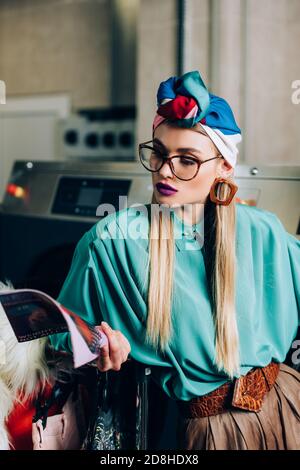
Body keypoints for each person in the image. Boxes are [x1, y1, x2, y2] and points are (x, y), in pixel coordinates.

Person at [49, 70, 300, 450]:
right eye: (160, 153)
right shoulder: (113, 243)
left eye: (188, 160)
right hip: (212, 432)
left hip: (289, 405)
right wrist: (99, 345)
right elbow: (58, 337)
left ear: (224, 167)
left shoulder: (264, 231)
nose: (166, 170)